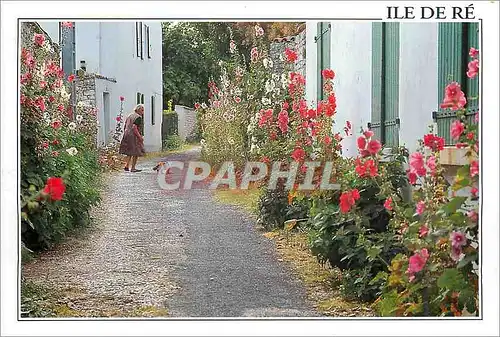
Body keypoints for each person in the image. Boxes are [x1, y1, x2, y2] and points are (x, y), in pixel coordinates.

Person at [119, 104, 145, 172]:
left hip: (126, 134)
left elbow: (125, 126)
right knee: (136, 152)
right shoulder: (138, 117)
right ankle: (133, 168)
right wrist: (140, 137)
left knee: (129, 151)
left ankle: (126, 166)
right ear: (138, 110)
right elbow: (134, 128)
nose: (143, 112)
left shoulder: (129, 116)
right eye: (142, 110)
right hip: (133, 136)